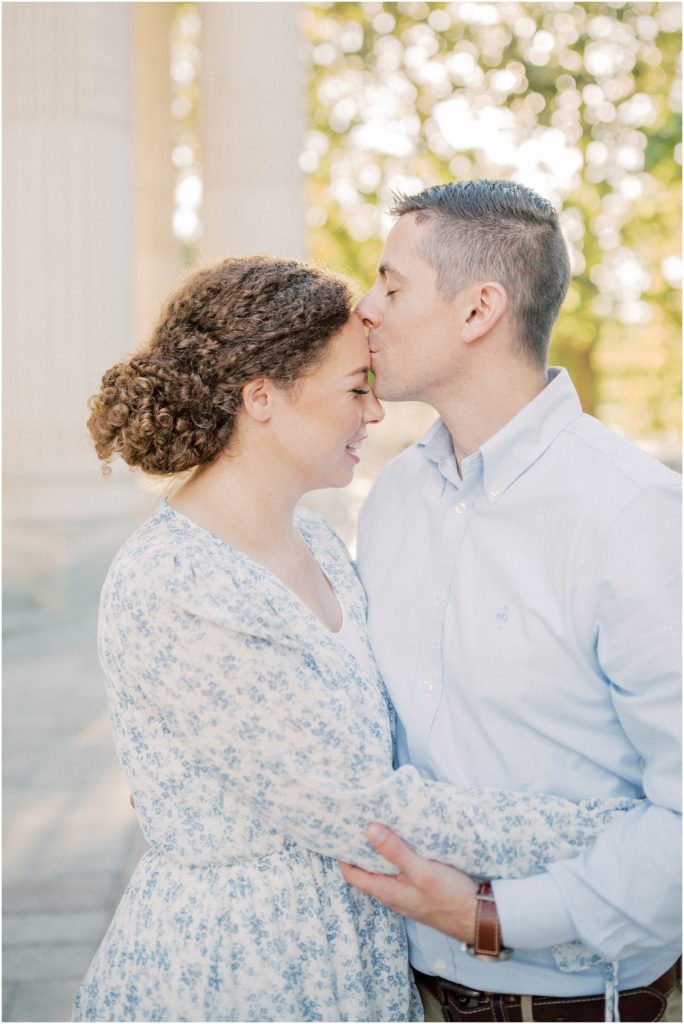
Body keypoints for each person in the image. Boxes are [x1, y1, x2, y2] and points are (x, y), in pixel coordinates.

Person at [72, 254, 637, 1023]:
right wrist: (610, 829)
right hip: (244, 970)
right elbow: (370, 812)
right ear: (262, 396)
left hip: (358, 950)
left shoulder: (320, 542)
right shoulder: (176, 581)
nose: (373, 414)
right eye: (354, 388)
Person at [341, 180, 682, 1023]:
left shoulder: (633, 513)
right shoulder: (391, 500)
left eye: (391, 282)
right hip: (403, 989)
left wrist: (487, 918)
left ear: (477, 310)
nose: (365, 308)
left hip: (576, 1003)